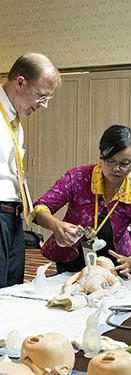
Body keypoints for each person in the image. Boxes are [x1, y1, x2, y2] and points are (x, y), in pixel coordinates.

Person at [33, 125, 131, 279]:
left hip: (114, 266)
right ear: (101, 154)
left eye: (125, 163)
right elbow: (39, 208)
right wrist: (57, 226)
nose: (116, 169)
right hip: (72, 259)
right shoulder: (78, 177)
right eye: (110, 161)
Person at [0, 53, 61, 288]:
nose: (43, 105)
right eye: (40, 96)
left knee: (12, 290)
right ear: (20, 82)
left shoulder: (16, 122)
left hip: (13, 216)